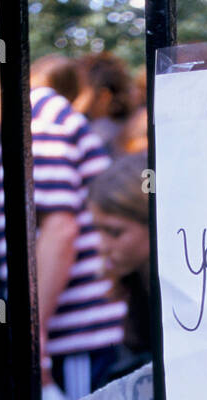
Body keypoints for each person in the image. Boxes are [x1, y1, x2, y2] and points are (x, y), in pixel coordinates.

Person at [0, 16, 126, 400]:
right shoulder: (33, 120)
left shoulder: (33, 123)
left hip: (78, 339)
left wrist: (32, 340)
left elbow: (59, 231)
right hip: (76, 337)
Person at [89, 151, 154, 383]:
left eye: (114, 232)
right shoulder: (135, 283)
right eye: (98, 230)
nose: (102, 246)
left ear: (153, 222)